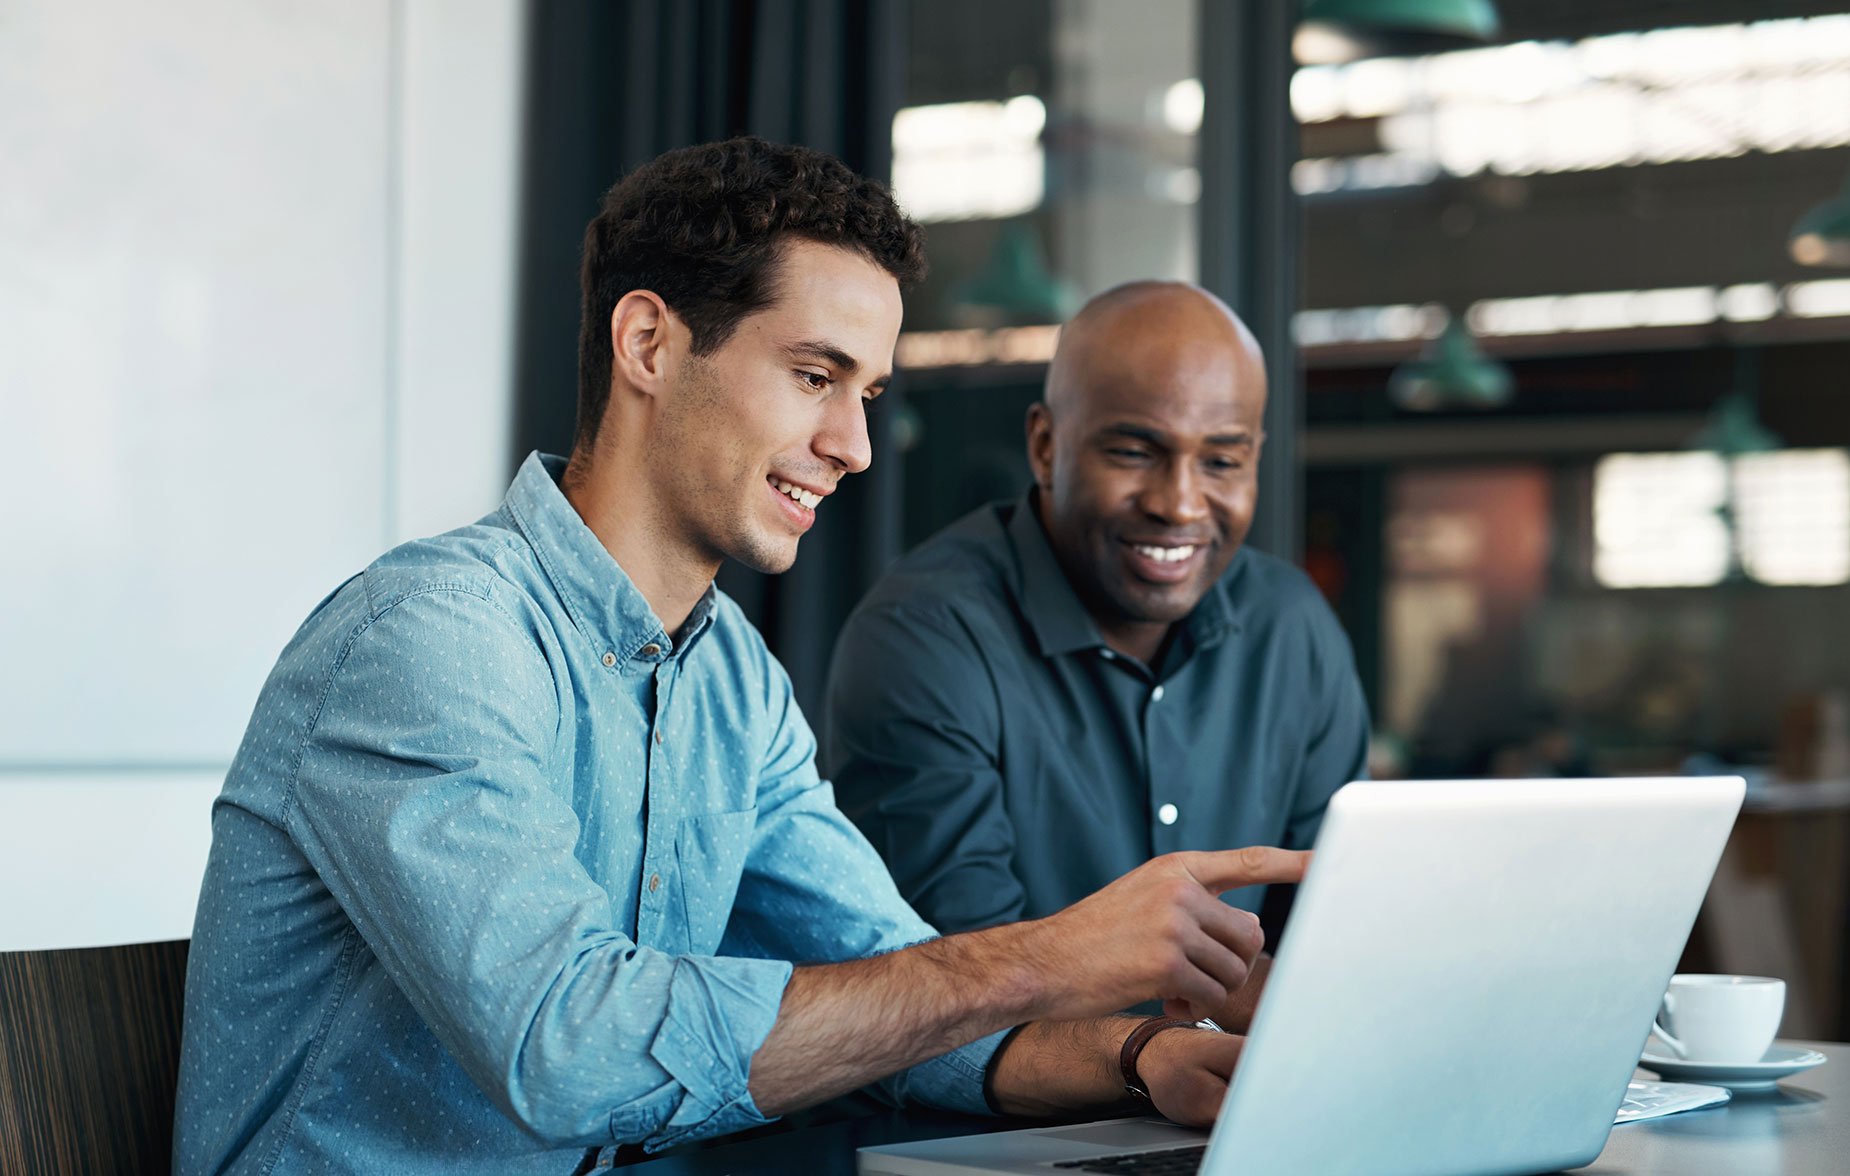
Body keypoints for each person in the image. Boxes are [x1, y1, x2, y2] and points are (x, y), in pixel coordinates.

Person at [173, 139, 1307, 1176]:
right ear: (649, 344)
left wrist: (1142, 1055)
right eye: (814, 377)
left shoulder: (732, 686)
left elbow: (898, 1006)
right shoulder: (431, 640)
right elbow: (573, 1052)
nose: (853, 446)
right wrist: (1045, 958)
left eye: (865, 394)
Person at [825, 281, 1369, 1027]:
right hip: (990, 1134)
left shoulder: (1291, 627)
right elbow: (961, 983)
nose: (1179, 503)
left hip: (1236, 1108)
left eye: (1221, 462)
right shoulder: (926, 635)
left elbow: (1341, 935)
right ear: (1046, 446)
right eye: (1136, 451)